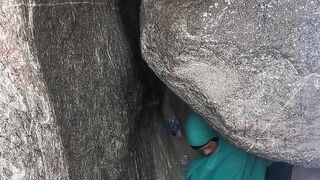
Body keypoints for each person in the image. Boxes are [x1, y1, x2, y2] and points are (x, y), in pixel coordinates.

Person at [184, 112, 272, 180]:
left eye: (208, 146)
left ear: (215, 134)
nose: (206, 152)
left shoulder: (241, 146)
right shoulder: (201, 168)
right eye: (200, 150)